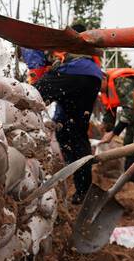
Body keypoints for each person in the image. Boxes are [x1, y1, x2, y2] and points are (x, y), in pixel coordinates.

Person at [27, 29, 105, 205]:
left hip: (74, 72)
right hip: (92, 77)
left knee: (27, 98)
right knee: (70, 131)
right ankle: (83, 192)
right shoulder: (74, 49)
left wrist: (33, 91)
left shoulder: (30, 44)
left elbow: (35, 70)